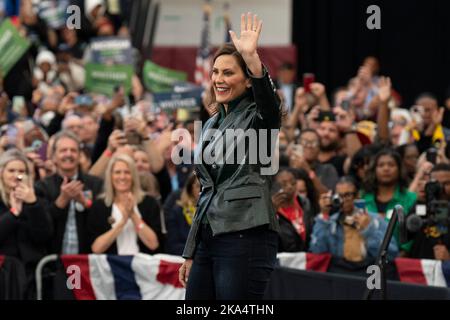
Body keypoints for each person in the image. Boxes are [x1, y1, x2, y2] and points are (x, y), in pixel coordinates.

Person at [178, 13, 281, 300]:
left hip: (245, 234)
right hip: (208, 240)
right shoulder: (210, 123)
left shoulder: (259, 116)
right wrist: (191, 251)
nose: (218, 80)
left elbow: (270, 105)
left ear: (248, 81)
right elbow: (206, 192)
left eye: (228, 73)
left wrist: (253, 61)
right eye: (215, 72)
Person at [34, 131, 103, 254]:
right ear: (54, 156)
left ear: (80, 155)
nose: (68, 154)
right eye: (63, 150)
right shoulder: (42, 187)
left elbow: (103, 223)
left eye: (73, 150)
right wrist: (61, 201)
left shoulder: (95, 184)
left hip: (87, 261)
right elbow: (40, 228)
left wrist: (86, 203)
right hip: (53, 262)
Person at [0, 149, 52, 296]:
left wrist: (33, 204)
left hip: (32, 276)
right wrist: (13, 213)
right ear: (1, 172)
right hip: (4, 274)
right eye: (11, 170)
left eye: (22, 171)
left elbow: (44, 236)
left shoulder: (37, 198)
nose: (17, 175)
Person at [87, 154, 164, 254]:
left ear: (133, 176)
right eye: (117, 172)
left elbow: (153, 244)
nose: (122, 177)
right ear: (110, 176)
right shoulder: (100, 205)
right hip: (111, 265)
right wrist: (122, 222)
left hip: (143, 266)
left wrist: (133, 215)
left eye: (127, 172)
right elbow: (96, 249)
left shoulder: (149, 202)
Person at [310, 177, 398, 263]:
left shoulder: (376, 221)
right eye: (339, 196)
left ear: (357, 196)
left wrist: (369, 230)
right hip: (341, 272)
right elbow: (317, 252)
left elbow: (390, 256)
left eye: (348, 195)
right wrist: (323, 215)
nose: (343, 200)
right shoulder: (331, 222)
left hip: (368, 272)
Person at [361, 148, 417, 253]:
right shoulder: (363, 198)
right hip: (365, 260)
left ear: (399, 169)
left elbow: (413, 235)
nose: (386, 169)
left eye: (391, 165)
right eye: (381, 165)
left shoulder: (411, 199)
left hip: (398, 261)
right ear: (374, 169)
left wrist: (400, 257)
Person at [272, 168, 315, 252]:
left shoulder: (305, 203)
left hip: (306, 257)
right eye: (284, 184)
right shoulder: (271, 210)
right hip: (284, 260)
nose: (290, 186)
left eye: (292, 182)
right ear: (275, 187)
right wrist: (272, 213)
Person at [166, 172, 200, 255]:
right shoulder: (178, 211)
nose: (203, 190)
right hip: (185, 259)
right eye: (199, 186)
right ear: (190, 189)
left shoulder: (218, 211)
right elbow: (173, 245)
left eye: (207, 186)